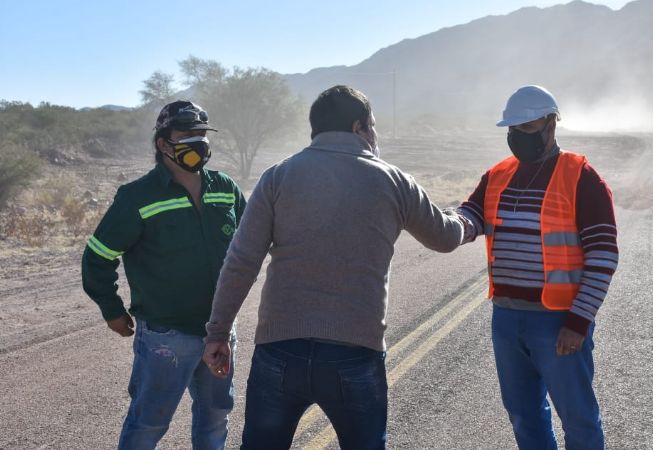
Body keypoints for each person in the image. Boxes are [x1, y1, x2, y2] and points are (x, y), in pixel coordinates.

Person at [201, 85, 466, 450]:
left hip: (280, 349)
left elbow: (241, 261)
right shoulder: (392, 179)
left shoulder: (277, 177)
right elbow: (446, 237)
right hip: (355, 351)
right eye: (372, 126)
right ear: (359, 127)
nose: (375, 135)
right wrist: (467, 217)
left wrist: (218, 332)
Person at [457, 85, 618, 450]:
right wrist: (440, 222)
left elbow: (603, 256)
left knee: (578, 418)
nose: (516, 137)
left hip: (558, 320)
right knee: (523, 414)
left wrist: (578, 321)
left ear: (551, 125)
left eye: (526, 128)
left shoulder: (582, 177)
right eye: (512, 130)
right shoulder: (498, 174)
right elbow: (471, 217)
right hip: (507, 319)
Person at [81, 100, 246, 450]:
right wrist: (112, 310)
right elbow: (98, 258)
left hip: (220, 330)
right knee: (149, 422)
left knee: (216, 417)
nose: (198, 142)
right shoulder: (137, 196)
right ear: (163, 144)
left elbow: (252, 242)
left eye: (201, 134)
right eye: (187, 135)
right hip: (165, 337)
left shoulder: (225, 188)